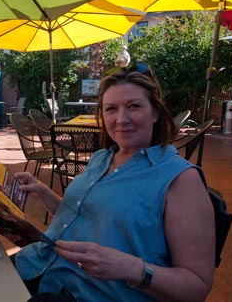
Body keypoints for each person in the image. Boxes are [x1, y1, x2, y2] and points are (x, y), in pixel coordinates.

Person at [13, 63, 215, 301]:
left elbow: (197, 287)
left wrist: (132, 268)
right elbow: (84, 216)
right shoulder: (102, 158)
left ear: (156, 112)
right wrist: (42, 191)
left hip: (85, 293)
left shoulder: (180, 179)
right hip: (37, 263)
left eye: (134, 106)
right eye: (111, 109)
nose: (121, 119)